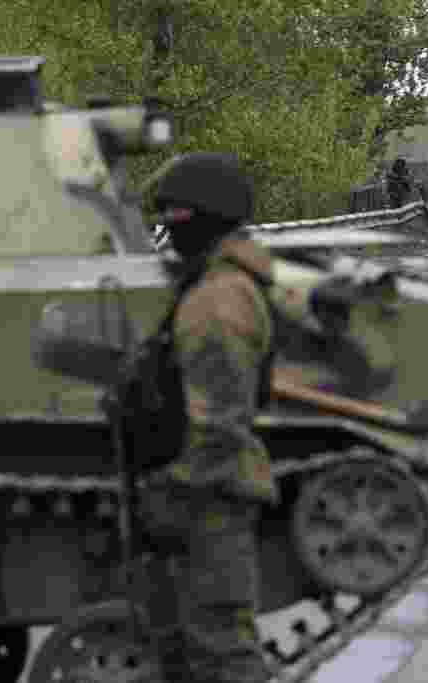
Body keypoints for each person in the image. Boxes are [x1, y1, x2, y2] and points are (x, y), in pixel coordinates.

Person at [142, 152, 278, 683]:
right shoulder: (217, 285)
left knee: (221, 651)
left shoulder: (219, 299)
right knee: (194, 650)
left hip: (211, 501)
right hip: (207, 496)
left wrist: (175, 491)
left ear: (197, 218)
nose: (167, 231)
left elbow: (219, 421)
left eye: (172, 217)